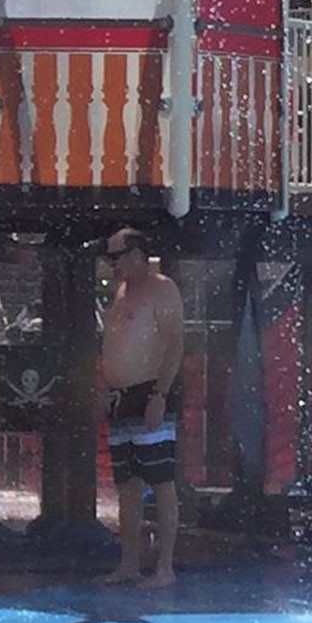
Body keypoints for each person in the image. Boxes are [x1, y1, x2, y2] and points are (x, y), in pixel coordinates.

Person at [98, 229, 184, 590]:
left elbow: (175, 343)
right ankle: (129, 564)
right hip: (121, 397)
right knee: (128, 485)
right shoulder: (121, 293)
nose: (111, 264)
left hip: (151, 392)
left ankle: (164, 567)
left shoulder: (162, 289)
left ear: (137, 255)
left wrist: (160, 395)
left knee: (161, 482)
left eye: (116, 257)